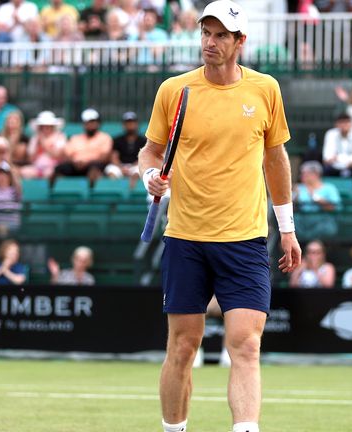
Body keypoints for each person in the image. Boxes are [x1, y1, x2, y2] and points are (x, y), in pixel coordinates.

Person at [136, 2, 301, 431]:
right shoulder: (175, 90)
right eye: (206, 33)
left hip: (244, 240)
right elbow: (149, 152)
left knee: (245, 345)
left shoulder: (266, 89)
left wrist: (287, 229)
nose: (210, 42)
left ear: (239, 41)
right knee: (182, 347)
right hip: (185, 238)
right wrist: (150, 176)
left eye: (221, 35)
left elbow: (276, 159)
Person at [54, 108, 112, 184]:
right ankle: (62, 191)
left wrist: (87, 162)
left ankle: (92, 191)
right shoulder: (75, 138)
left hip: (93, 164)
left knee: (94, 169)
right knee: (59, 169)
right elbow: (66, 155)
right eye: (87, 122)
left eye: (93, 122)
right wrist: (75, 162)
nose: (90, 125)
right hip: (75, 165)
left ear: (98, 123)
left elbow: (104, 157)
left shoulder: (105, 137)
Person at [294, 160, 341, 240]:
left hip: (322, 219)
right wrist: (295, 198)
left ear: (315, 174)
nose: (302, 176)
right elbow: (291, 209)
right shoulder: (298, 188)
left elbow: (335, 207)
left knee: (329, 227)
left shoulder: (329, 188)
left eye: (305, 174)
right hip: (302, 220)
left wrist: (315, 197)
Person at [321, 112, 352, 188]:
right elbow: (327, 158)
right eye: (341, 122)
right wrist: (347, 161)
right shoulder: (330, 134)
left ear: (351, 123)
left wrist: (338, 158)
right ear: (336, 124)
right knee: (326, 170)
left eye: (347, 122)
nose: (344, 125)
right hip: (335, 167)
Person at [22, 111, 66, 179]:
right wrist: (37, 147)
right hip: (36, 168)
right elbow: (30, 159)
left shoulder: (60, 137)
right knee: (25, 172)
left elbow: (58, 155)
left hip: (53, 168)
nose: (46, 128)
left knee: (50, 173)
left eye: (48, 126)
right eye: (43, 126)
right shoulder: (35, 138)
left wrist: (43, 144)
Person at [108, 111, 146, 182]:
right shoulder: (117, 140)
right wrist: (121, 167)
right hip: (120, 166)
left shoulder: (143, 140)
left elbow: (144, 158)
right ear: (123, 125)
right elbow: (114, 157)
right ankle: (116, 190)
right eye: (127, 122)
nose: (130, 124)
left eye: (132, 122)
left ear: (137, 124)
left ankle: (133, 191)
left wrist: (131, 167)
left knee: (139, 171)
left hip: (136, 166)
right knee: (111, 170)